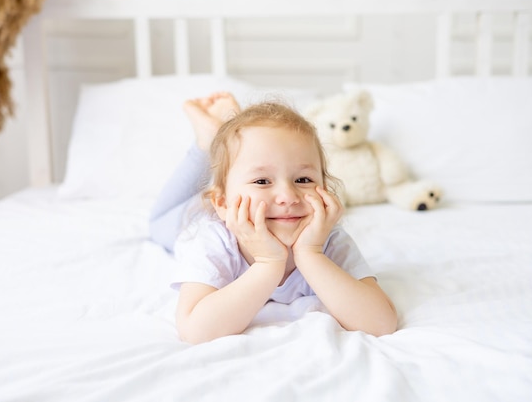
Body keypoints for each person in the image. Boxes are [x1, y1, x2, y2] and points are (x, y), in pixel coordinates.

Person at [149, 92, 397, 344]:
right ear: (223, 203)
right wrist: (268, 263)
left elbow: (381, 323)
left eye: (303, 179)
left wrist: (311, 254)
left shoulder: (329, 240)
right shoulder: (211, 238)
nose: (288, 197)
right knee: (158, 223)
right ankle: (205, 143)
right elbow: (195, 331)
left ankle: (220, 139)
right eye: (262, 181)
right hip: (189, 217)